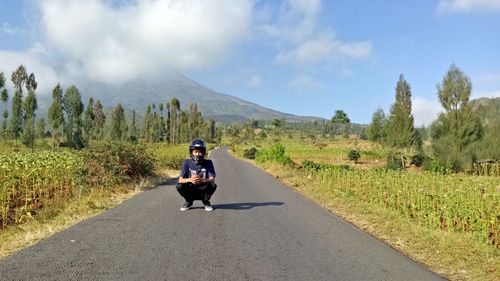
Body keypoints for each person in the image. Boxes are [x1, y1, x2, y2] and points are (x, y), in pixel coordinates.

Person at [176, 139, 217, 211]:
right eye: (195, 152)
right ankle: (188, 201)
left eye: (200, 152)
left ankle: (206, 201)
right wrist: (190, 179)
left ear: (203, 152)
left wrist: (203, 180)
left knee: (213, 184)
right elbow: (180, 179)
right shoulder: (186, 162)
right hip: (191, 187)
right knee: (179, 185)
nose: (197, 154)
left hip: (203, 187)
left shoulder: (208, 162)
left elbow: (212, 178)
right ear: (191, 152)